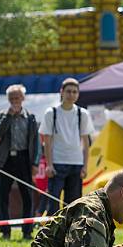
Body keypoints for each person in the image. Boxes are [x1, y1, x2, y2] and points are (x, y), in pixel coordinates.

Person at [0, 84, 40, 240]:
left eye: (17, 98)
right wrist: (8, 116)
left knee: (27, 196)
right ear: (8, 100)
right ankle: (5, 232)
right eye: (12, 98)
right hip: (5, 160)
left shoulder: (31, 118)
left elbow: (36, 142)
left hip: (24, 160)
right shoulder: (2, 115)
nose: (15, 101)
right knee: (3, 197)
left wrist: (35, 163)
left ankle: (27, 231)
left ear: (23, 98)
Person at [40, 77, 95, 215]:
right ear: (61, 92)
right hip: (57, 163)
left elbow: (86, 142)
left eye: (75, 92)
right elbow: (46, 140)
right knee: (53, 203)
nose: (71, 95)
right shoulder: (51, 113)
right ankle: (53, 234)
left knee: (74, 204)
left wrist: (85, 166)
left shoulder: (83, 114)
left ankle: (71, 233)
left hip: (76, 164)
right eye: (68, 91)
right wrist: (49, 164)